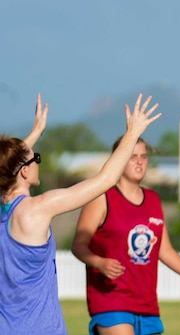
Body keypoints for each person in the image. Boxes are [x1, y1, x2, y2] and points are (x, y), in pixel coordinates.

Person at [0, 94, 160, 335]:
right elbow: (105, 180)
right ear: (23, 171)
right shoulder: (37, 209)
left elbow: (9, 166)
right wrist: (132, 134)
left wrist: (35, 133)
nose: (38, 163)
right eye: (36, 159)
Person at [72, 136, 180, 335]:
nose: (139, 161)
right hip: (111, 302)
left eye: (144, 156)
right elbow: (78, 245)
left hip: (147, 306)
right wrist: (98, 262)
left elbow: (164, 250)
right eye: (132, 157)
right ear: (118, 160)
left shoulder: (154, 199)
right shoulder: (101, 197)